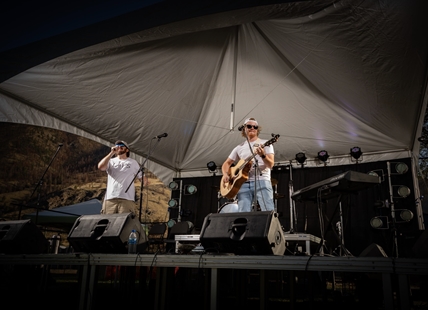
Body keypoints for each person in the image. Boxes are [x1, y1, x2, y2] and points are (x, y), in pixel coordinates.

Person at [221, 117, 275, 212]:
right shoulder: (239, 147)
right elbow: (227, 163)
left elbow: (271, 165)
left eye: (255, 127)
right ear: (244, 129)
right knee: (243, 212)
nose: (252, 128)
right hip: (242, 183)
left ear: (257, 129)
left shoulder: (265, 144)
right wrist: (226, 174)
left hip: (262, 180)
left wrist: (263, 156)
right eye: (249, 126)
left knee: (268, 211)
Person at [98, 140, 147, 214]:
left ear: (127, 150)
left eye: (122, 146)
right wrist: (112, 153)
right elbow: (101, 167)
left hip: (126, 198)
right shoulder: (110, 161)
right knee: (108, 222)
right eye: (117, 146)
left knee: (125, 222)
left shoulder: (133, 162)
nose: (119, 148)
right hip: (110, 198)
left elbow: (142, 177)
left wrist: (144, 182)